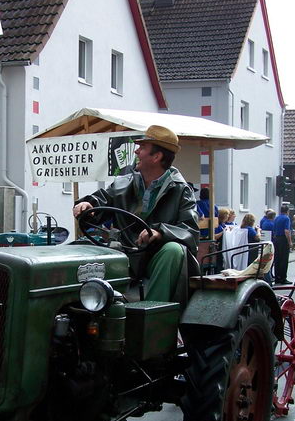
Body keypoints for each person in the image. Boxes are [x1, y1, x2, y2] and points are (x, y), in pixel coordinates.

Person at [72, 125, 199, 302]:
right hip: (123, 253)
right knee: (78, 247)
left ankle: (152, 316)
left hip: (154, 258)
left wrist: (160, 232)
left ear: (156, 156)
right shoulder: (123, 183)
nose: (136, 151)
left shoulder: (181, 190)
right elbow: (103, 199)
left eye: (142, 148)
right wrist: (88, 204)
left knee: (173, 250)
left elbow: (190, 231)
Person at [272, 205, 292, 284]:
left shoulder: (276, 218)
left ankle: (277, 277)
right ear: (287, 211)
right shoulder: (286, 218)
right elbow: (286, 231)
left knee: (277, 259)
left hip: (276, 239)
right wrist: (289, 241)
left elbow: (274, 230)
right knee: (284, 259)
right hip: (283, 239)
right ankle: (283, 278)